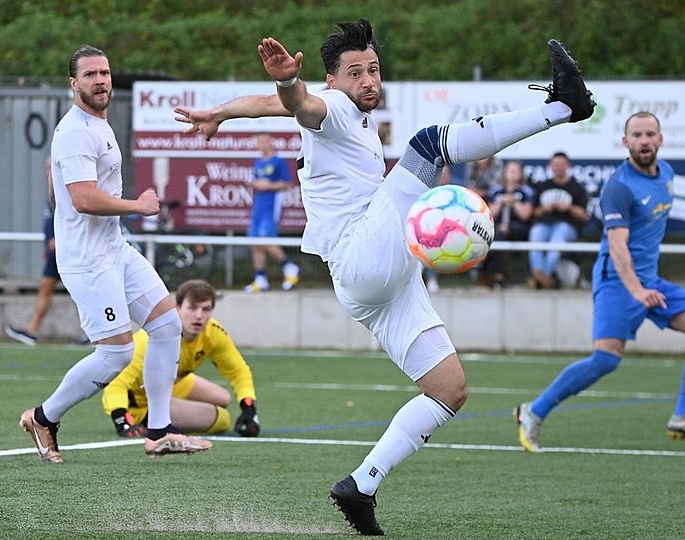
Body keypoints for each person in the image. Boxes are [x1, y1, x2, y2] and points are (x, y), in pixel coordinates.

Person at [175, 21, 594, 534]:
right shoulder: (335, 109)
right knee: (428, 146)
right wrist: (289, 83)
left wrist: (219, 112)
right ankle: (563, 107)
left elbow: (273, 104)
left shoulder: (353, 113)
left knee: (449, 390)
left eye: (373, 69)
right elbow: (301, 105)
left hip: (378, 283)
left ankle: (361, 485)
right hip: (361, 254)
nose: (369, 80)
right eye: (355, 73)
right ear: (333, 81)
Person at [17, 45, 211, 464]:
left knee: (165, 326)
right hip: (89, 261)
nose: (100, 80)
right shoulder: (76, 131)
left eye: (104, 72)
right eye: (89, 75)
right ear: (74, 84)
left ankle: (159, 430)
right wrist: (138, 207)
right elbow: (85, 198)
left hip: (113, 248)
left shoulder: (96, 125)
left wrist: (58, 194)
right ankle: (44, 417)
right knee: (118, 353)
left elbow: (63, 188)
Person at [515, 112, 685, 454]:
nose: (644, 140)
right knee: (605, 360)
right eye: (637, 135)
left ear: (660, 139)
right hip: (617, 282)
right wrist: (637, 291)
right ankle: (532, 412)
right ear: (625, 142)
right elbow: (617, 246)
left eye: (650, 134)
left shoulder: (667, 174)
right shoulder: (619, 185)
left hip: (650, 281)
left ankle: (683, 416)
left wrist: (646, 285)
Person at [101, 279, 260, 437]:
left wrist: (249, 408)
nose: (199, 316)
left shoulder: (213, 332)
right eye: (192, 308)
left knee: (223, 398)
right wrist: (121, 418)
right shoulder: (152, 339)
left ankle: (178, 410)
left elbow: (238, 371)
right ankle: (149, 419)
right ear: (177, 308)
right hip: (142, 402)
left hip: (171, 384)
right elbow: (116, 382)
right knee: (223, 419)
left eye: (206, 309)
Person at [6, 160, 63, 345]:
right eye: (46, 168)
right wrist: (48, 245)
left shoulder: (66, 190)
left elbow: (77, 218)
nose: (48, 171)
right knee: (45, 289)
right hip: (55, 252)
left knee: (83, 293)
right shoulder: (51, 192)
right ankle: (32, 330)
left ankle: (94, 333)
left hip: (66, 251)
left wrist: (60, 240)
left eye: (52, 167)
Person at [245, 132, 301, 293]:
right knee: (255, 243)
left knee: (265, 240)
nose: (262, 145)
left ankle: (289, 266)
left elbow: (288, 184)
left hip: (271, 208)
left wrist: (268, 185)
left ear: (271, 143)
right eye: (259, 142)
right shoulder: (258, 162)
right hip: (258, 207)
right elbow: (257, 182)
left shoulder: (278, 161)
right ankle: (260, 278)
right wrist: (255, 184)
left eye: (264, 142)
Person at [526, 151, 588, 289]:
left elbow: (584, 215)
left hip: (567, 225)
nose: (558, 167)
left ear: (568, 165)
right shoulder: (544, 186)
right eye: (555, 164)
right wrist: (544, 209)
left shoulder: (577, 188)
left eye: (561, 164)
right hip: (544, 224)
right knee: (535, 236)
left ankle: (539, 280)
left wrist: (569, 207)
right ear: (550, 166)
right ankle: (544, 279)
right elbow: (534, 213)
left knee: (556, 241)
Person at [484, 161, 535, 288]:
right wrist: (501, 202)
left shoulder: (525, 191)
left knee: (502, 233)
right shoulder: (496, 191)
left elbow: (525, 215)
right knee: (497, 234)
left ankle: (499, 276)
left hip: (519, 227)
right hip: (498, 227)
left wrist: (514, 201)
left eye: (515, 171)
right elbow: (489, 215)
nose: (512, 174)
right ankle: (495, 275)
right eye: (510, 170)